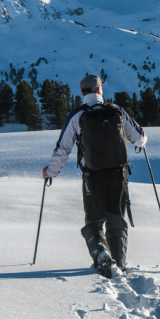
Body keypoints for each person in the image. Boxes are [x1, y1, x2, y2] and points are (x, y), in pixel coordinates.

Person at [43, 74, 147, 278]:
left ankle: (101, 253)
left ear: (83, 92)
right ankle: (119, 264)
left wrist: (51, 171)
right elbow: (140, 138)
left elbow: (62, 149)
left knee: (94, 223)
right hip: (119, 174)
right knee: (116, 221)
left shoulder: (76, 116)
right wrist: (141, 141)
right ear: (100, 90)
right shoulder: (117, 111)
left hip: (93, 176)